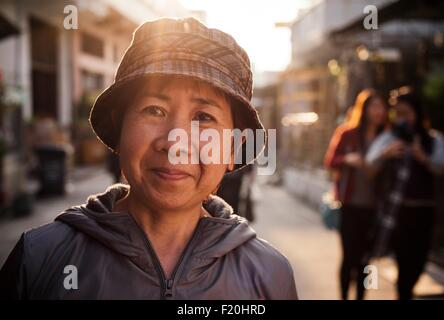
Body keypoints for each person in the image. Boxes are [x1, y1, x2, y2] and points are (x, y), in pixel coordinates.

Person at [0, 18, 297, 300]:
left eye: (203, 117)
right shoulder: (40, 260)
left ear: (233, 148)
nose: (174, 143)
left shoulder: (268, 276)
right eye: (154, 110)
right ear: (120, 128)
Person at [366, 88, 444, 300]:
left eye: (406, 113)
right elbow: (370, 162)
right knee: (403, 260)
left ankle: (405, 292)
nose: (402, 119)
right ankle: (403, 294)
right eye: (398, 113)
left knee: (419, 261)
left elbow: (441, 166)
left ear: (417, 113)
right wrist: (387, 153)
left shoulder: (433, 140)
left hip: (425, 213)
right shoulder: (389, 138)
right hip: (399, 213)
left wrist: (423, 157)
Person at [324, 89, 388, 300]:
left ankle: (362, 297)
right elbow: (330, 161)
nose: (378, 111)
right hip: (350, 205)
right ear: (365, 108)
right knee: (349, 257)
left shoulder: (386, 137)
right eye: (374, 106)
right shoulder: (348, 133)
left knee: (366, 260)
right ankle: (343, 296)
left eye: (381, 106)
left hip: (376, 208)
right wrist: (347, 160)